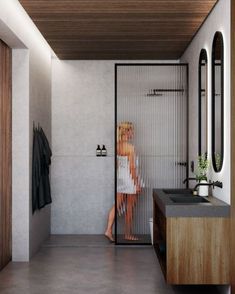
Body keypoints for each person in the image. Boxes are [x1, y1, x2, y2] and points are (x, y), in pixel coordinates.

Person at [105, 122, 141, 242]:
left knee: (117, 205)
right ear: (126, 131)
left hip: (121, 178)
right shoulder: (130, 147)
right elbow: (132, 167)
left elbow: (118, 165)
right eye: (132, 130)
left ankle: (108, 230)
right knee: (130, 207)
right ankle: (127, 234)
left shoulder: (117, 146)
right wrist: (136, 184)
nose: (133, 133)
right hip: (129, 179)